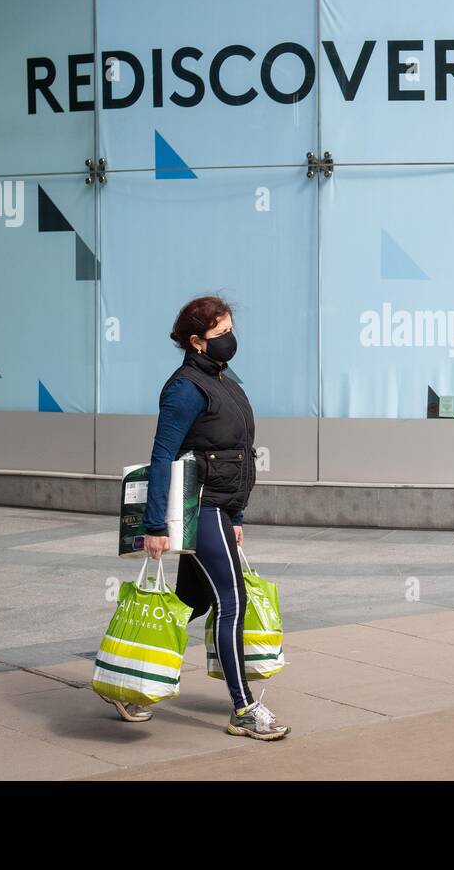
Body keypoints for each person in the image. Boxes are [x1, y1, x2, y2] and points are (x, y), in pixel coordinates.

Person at [99, 294, 289, 740]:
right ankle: (243, 709)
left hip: (221, 507)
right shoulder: (185, 387)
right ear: (196, 341)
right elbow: (162, 456)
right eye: (220, 334)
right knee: (232, 601)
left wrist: (238, 514)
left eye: (230, 331)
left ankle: (131, 678)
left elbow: (237, 453)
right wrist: (155, 526)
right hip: (200, 507)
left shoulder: (225, 383)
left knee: (193, 603)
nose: (230, 340)